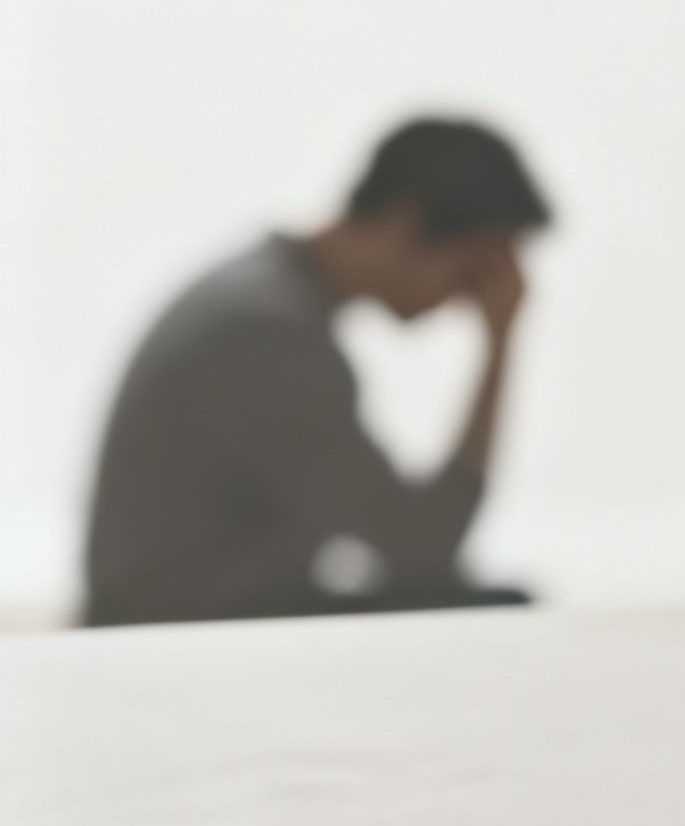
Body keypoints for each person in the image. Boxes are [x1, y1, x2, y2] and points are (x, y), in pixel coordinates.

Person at [82, 118, 550, 626]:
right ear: (404, 221)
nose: (464, 299)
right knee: (494, 610)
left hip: (190, 620)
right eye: (473, 271)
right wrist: (500, 344)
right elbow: (423, 548)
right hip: (178, 636)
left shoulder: (261, 300)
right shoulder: (267, 334)